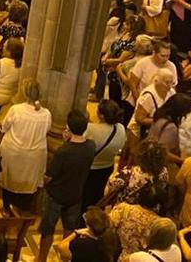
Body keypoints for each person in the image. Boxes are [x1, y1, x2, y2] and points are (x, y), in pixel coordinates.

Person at [38, 109, 97, 262]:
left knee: (47, 230)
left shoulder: (63, 151)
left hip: (56, 196)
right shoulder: (91, 146)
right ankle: (64, 258)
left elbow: (49, 177)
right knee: (70, 230)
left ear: (68, 128)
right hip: (76, 195)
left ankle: (41, 259)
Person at [0, 78, 52, 212]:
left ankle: (6, 209)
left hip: (14, 151)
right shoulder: (46, 114)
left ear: (24, 93)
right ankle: (22, 210)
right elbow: (47, 130)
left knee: (9, 179)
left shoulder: (16, 110)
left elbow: (4, 127)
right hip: (34, 155)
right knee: (28, 183)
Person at [84, 100, 127, 207]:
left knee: (85, 195)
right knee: (98, 192)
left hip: (91, 168)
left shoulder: (91, 128)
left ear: (102, 115)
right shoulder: (120, 128)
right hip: (107, 166)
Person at [54, 207, 120, 262]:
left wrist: (76, 233)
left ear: (88, 227)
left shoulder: (82, 244)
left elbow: (61, 247)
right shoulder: (113, 240)